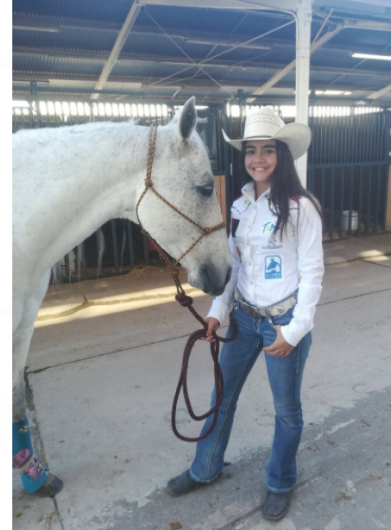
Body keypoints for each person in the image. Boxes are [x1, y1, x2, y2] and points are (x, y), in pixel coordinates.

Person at [166, 106, 324, 521]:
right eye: (251, 150)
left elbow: (312, 274)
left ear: (281, 155)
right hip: (243, 320)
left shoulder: (301, 207)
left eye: (267, 150)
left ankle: (279, 481)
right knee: (222, 397)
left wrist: (294, 331)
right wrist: (218, 312)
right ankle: (205, 468)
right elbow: (235, 269)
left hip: (282, 323)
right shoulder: (239, 205)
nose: (258, 158)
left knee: (287, 411)